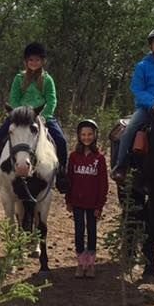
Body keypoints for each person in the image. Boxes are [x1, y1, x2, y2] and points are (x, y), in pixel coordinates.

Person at [0, 42, 69, 193]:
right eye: (31, 60)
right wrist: (18, 114)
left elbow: (52, 99)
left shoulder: (47, 79)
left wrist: (44, 116)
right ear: (26, 62)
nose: (34, 63)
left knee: (60, 140)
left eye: (37, 60)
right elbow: (14, 98)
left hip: (41, 115)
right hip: (20, 116)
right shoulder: (19, 78)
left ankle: (61, 174)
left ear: (42, 61)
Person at [111, 27, 154, 182]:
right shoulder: (142, 66)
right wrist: (153, 103)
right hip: (146, 110)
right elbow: (136, 88)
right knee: (129, 129)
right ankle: (121, 166)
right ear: (150, 45)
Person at [65, 119, 108, 278]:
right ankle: (80, 262)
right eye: (83, 134)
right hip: (77, 201)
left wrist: (100, 205)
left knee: (91, 231)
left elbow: (103, 183)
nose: (86, 137)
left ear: (95, 135)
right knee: (78, 231)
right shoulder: (74, 157)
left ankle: (90, 264)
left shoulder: (100, 158)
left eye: (90, 134)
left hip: (93, 203)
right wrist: (68, 200)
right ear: (79, 136)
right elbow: (70, 179)